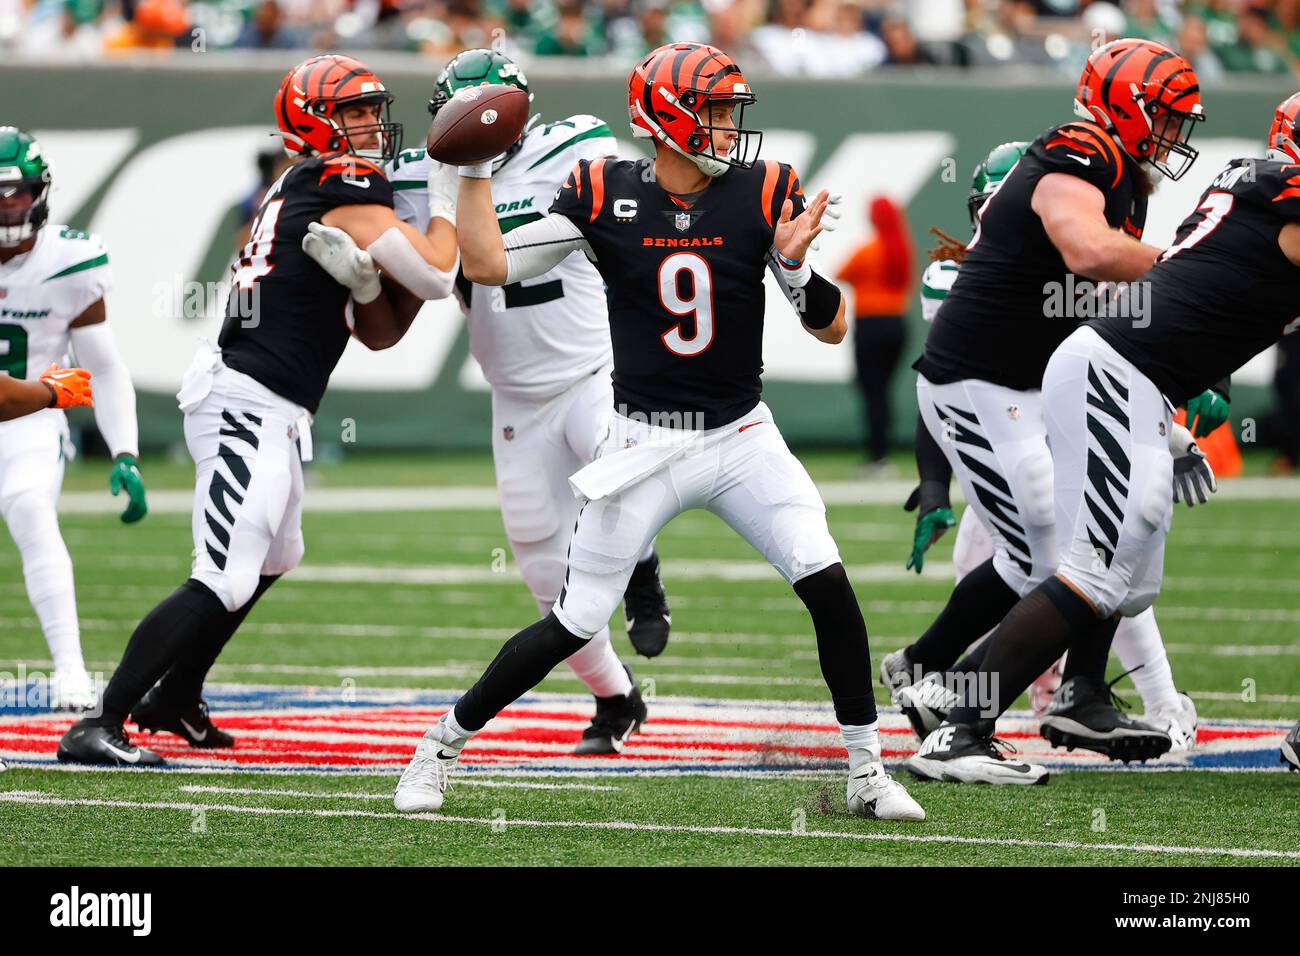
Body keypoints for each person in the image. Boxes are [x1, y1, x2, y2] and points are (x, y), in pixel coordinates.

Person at [390, 40, 925, 821]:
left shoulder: (763, 189)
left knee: (827, 581)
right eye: (711, 112)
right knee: (573, 621)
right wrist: (472, 170)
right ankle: (436, 749)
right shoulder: (603, 192)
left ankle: (868, 772)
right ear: (669, 119)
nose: (727, 128)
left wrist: (800, 271)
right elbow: (491, 263)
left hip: (743, 435)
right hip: (641, 443)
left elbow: (833, 329)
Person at [57, 53, 459, 765]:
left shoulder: (304, 186)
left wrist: (365, 290)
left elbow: (380, 331)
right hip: (245, 397)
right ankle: (100, 721)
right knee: (224, 575)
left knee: (277, 553)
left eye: (373, 109)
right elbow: (434, 274)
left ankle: (178, 694)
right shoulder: (338, 180)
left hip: (271, 401)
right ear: (314, 124)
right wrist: (455, 199)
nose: (371, 124)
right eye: (354, 112)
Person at [909, 90, 1300, 785]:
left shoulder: (1259, 186)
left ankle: (1035, 691)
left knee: (1128, 581)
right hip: (1116, 374)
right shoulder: (1284, 197)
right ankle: (958, 729)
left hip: (1129, 376)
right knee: (1092, 568)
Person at [899, 39, 1206, 781]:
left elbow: (1111, 308)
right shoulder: (1083, 149)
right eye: (1164, 119)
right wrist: (1194, 268)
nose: (1172, 138)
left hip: (1038, 387)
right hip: (979, 385)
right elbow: (1087, 252)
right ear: (1123, 110)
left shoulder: (1121, 177)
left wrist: (1167, 419)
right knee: (1051, 551)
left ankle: (1072, 692)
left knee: (1103, 539)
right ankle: (952, 701)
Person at [384, 47, 671, 752]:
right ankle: (617, 698)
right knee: (549, 587)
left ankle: (644, 574)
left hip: (589, 367)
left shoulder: (571, 144)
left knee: (616, 466)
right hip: (513, 396)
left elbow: (636, 205)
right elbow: (422, 260)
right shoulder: (426, 174)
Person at [0, 125, 144, 712]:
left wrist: (126, 451)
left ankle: (69, 668)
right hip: (37, 397)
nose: (7, 203)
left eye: (15, 190)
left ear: (39, 192)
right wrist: (47, 392)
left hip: (31, 423)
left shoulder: (71, 260)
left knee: (33, 511)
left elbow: (103, 367)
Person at [836, 195, 912, 472]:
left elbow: (841, 272)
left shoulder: (868, 250)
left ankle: (877, 457)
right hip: (897, 324)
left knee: (873, 392)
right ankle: (883, 453)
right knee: (884, 392)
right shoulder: (901, 250)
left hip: (871, 325)